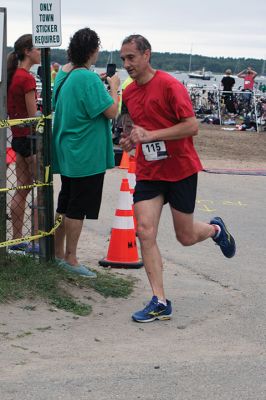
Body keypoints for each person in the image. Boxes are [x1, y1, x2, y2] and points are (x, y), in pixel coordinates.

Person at [119, 34, 236, 323]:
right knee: (145, 231)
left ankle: (215, 230)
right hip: (149, 171)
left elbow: (192, 126)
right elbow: (134, 127)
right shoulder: (130, 92)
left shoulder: (170, 85)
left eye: (131, 57)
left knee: (184, 236)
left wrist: (152, 135)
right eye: (123, 59)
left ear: (147, 55)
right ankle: (159, 300)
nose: (126, 64)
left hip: (180, 169)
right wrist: (129, 139)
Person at [52, 27, 120, 277]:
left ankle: (57, 252)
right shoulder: (89, 79)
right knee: (77, 208)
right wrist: (114, 86)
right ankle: (71, 258)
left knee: (65, 202)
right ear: (93, 50)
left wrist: (97, 81)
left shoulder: (64, 74)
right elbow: (111, 111)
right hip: (85, 153)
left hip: (67, 148)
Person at [7, 34, 41, 253]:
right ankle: (37, 240)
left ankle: (17, 238)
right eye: (37, 49)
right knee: (40, 188)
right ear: (28, 51)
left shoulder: (12, 76)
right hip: (29, 138)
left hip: (18, 137)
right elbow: (32, 115)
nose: (40, 52)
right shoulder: (26, 78)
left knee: (22, 188)